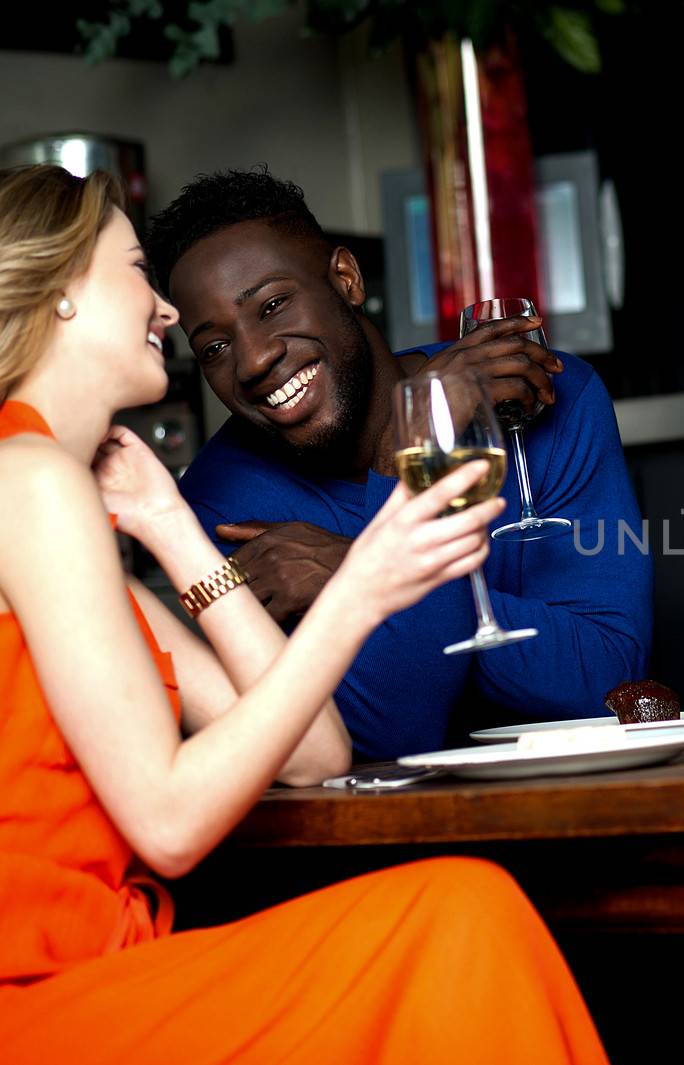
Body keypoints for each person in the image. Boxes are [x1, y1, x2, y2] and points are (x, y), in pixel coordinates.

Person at [0, 164, 608, 1062]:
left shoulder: (57, 503)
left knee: (463, 911)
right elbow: (168, 824)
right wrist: (362, 585)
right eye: (137, 272)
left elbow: (314, 751)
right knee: (460, 917)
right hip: (44, 996)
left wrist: (174, 529)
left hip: (99, 972)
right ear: (62, 297)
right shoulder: (31, 480)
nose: (166, 314)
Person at [144, 170, 650, 761]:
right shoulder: (218, 505)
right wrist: (405, 460)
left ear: (345, 279)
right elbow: (393, 731)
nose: (254, 360)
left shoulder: (543, 400)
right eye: (215, 348)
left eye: (274, 305)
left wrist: (351, 570)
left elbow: (606, 677)